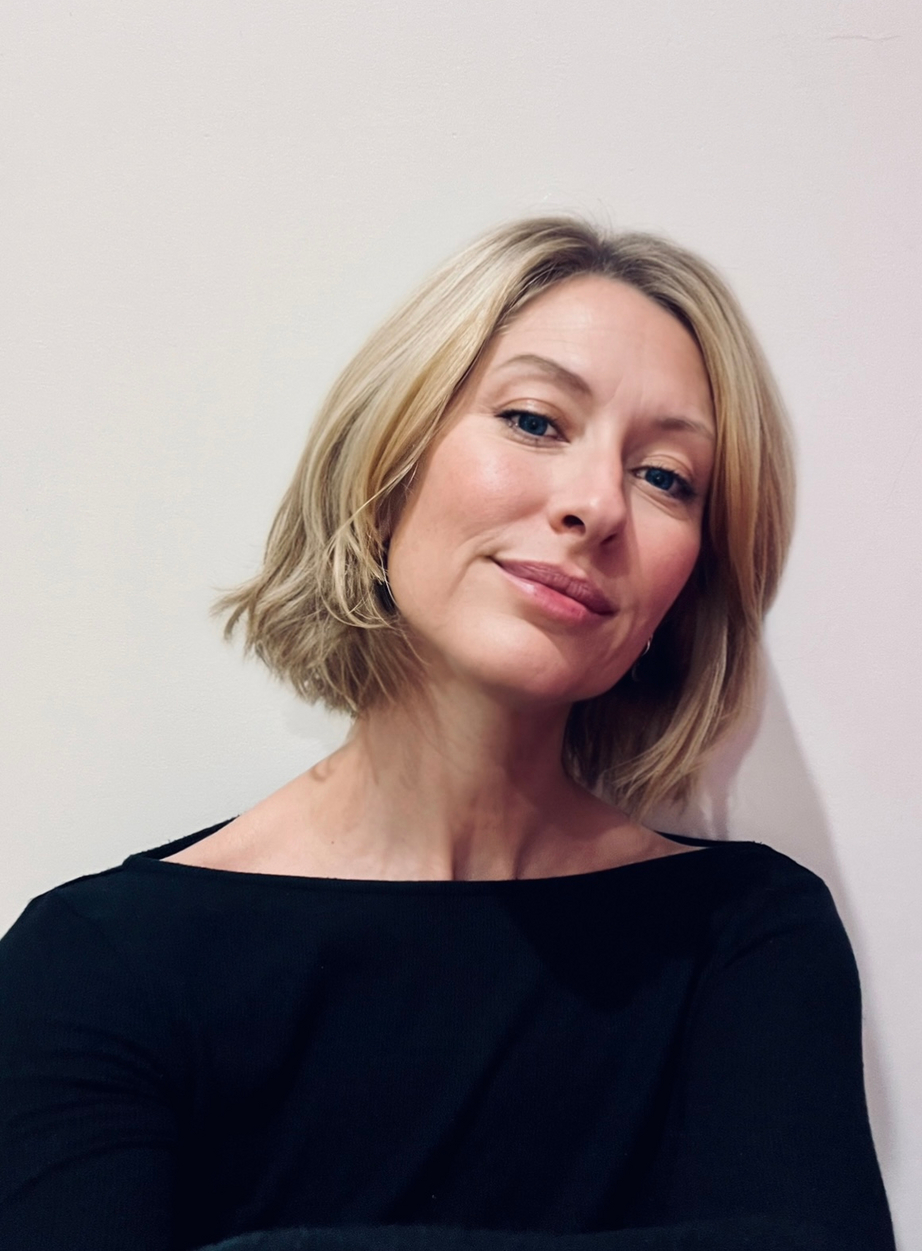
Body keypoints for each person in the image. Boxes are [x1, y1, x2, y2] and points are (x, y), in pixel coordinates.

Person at [0, 218, 894, 1251]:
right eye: (534, 420)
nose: (597, 505)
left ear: (686, 587)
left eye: (665, 477)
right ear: (388, 462)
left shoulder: (742, 937)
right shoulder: (96, 963)